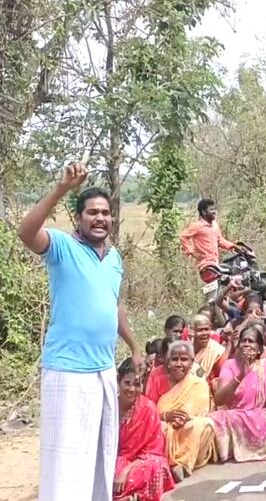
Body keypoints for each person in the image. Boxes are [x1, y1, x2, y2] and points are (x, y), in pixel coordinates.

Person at [16, 162, 141, 501]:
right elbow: (26, 233)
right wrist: (61, 189)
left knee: (99, 460)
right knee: (66, 466)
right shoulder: (61, 247)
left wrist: (133, 346)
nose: (100, 218)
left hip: (103, 371)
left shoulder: (114, 258)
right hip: (68, 371)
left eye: (105, 212)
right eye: (91, 212)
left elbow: (114, 306)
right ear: (79, 218)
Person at [210, 327, 266, 462]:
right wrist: (241, 374)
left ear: (259, 349)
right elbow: (219, 400)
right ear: (238, 346)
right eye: (243, 341)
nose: (246, 344)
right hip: (233, 416)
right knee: (211, 423)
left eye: (251, 341)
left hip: (258, 416)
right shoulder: (229, 365)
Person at [114, 358, 175, 501]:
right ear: (118, 382)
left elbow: (153, 451)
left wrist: (126, 471)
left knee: (158, 466)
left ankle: (132, 496)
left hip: (140, 462)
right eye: (127, 383)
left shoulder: (148, 409)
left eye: (136, 384)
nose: (131, 389)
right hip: (113, 459)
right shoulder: (109, 406)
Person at [157, 341, 216, 481]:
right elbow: (147, 411)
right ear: (168, 363)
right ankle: (167, 463)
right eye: (174, 359)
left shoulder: (199, 383)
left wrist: (185, 418)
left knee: (205, 425)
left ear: (191, 363)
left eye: (183, 359)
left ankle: (183, 464)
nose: (178, 364)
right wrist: (165, 416)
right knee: (160, 427)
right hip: (164, 427)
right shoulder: (157, 381)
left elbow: (200, 411)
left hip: (188, 429)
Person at [180, 198, 238, 283]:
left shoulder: (214, 225)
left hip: (216, 264)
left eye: (215, 209)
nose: (214, 212)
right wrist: (191, 251)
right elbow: (183, 236)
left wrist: (234, 246)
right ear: (203, 212)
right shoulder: (197, 226)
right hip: (206, 266)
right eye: (211, 209)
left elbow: (220, 240)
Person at [191, 315, 229, 391]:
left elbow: (222, 380)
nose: (204, 333)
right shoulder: (186, 348)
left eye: (206, 329)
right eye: (200, 330)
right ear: (192, 332)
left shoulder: (217, 352)